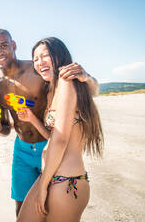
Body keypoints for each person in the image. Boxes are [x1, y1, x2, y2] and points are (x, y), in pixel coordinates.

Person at [0, 29, 99, 216]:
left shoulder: (38, 69)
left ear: (13, 45)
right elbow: (5, 130)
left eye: (4, 46)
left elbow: (85, 91)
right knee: (22, 207)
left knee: (50, 205)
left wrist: (87, 77)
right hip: (22, 150)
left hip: (52, 147)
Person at [17, 37, 104, 221]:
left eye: (45, 56)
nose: (39, 62)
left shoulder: (67, 82)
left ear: (59, 55)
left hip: (66, 182)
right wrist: (32, 119)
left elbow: (61, 140)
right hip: (50, 177)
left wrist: (42, 187)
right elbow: (53, 136)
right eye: (35, 59)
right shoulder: (53, 89)